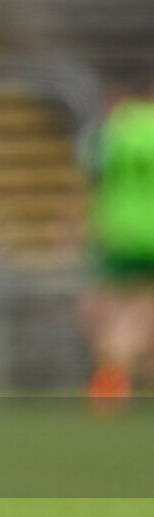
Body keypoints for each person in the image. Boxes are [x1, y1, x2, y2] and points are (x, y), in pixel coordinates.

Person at [79, 83, 154, 405]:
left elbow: (90, 174)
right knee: (144, 310)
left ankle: (113, 376)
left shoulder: (113, 128)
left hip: (115, 232)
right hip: (148, 234)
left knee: (108, 309)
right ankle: (122, 372)